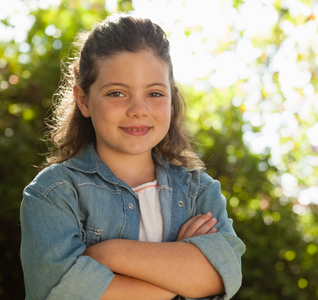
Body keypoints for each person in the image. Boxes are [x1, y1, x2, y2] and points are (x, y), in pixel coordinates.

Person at [20, 13, 245, 300]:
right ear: (84, 100)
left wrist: (109, 253)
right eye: (117, 93)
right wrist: (178, 269)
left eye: (154, 93)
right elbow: (65, 293)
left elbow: (223, 276)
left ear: (172, 101)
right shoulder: (53, 194)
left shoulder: (199, 192)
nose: (139, 109)